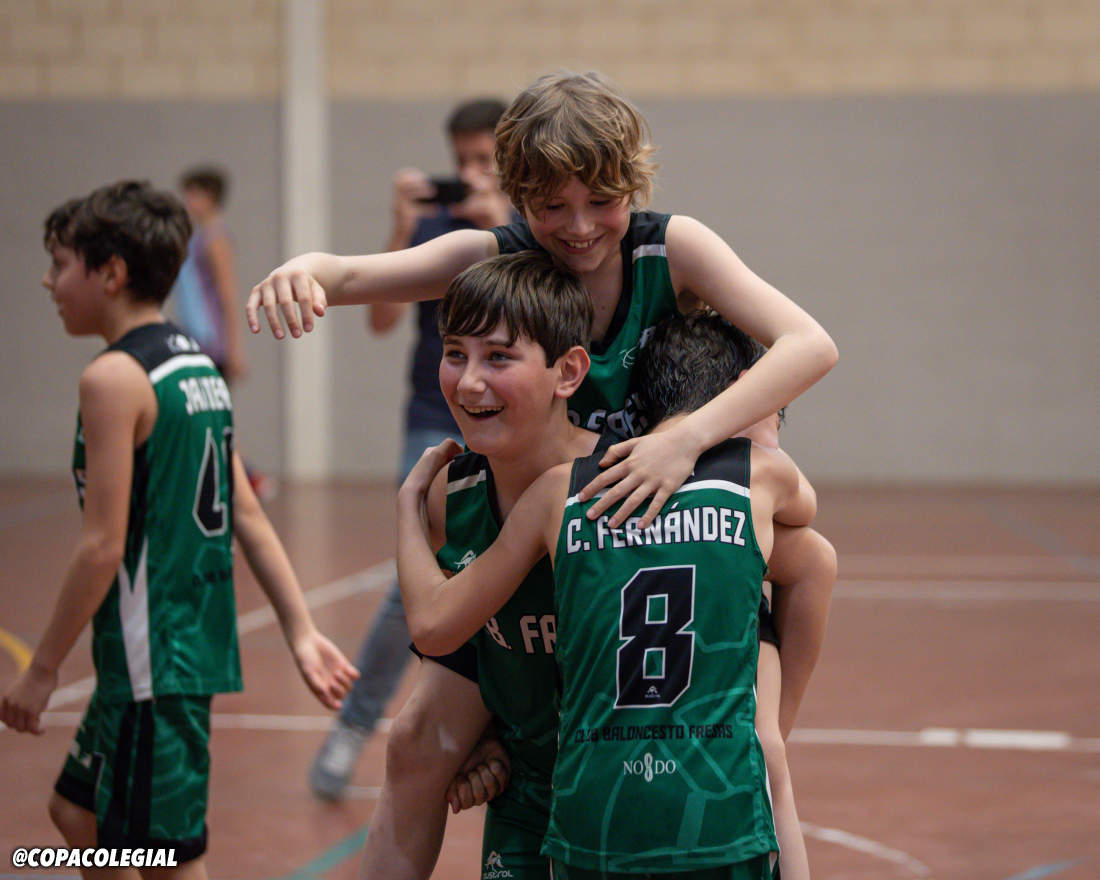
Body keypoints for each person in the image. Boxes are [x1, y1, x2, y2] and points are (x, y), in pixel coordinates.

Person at [246, 69, 838, 531]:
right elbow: (351, 276)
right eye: (553, 207)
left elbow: (810, 345)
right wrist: (303, 270)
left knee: (800, 549)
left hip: (655, 502)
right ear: (518, 196)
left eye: (602, 201)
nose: (580, 228)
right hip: (553, 513)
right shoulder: (499, 252)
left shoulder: (672, 247)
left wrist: (686, 438)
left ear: (633, 184)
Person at [0, 181, 358, 879]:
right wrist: (300, 629)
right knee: (76, 815)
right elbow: (246, 512)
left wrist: (41, 671)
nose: (48, 282)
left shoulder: (113, 379)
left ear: (110, 272)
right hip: (168, 652)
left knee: (165, 859)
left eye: (60, 264)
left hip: (153, 662)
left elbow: (101, 546)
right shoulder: (195, 364)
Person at [396, 310, 819, 878]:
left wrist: (408, 506)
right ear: (744, 395)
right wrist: (773, 730)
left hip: (591, 814)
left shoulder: (561, 492)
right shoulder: (759, 477)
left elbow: (432, 624)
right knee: (769, 752)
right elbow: (814, 541)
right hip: (716, 811)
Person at [359, 250, 600, 880]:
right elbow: (454, 644)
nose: (468, 382)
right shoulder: (452, 493)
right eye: (454, 353)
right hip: (528, 785)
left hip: (621, 782)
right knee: (415, 739)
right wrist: (480, 731)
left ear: (568, 371)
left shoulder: (621, 485)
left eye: (497, 357)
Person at [310, 97, 515, 801]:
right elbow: (378, 318)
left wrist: (498, 218)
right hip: (435, 417)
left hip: (516, 420)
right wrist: (401, 225)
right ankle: (353, 725)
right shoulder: (433, 228)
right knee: (415, 583)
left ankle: (507, 728)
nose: (470, 171)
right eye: (461, 160)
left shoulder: (523, 226)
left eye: (484, 160)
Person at [176, 166, 247, 383]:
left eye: (193, 194)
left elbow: (227, 293)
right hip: (197, 337)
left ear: (210, 197)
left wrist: (234, 348)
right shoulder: (199, 238)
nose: (187, 201)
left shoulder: (216, 240)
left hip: (212, 340)